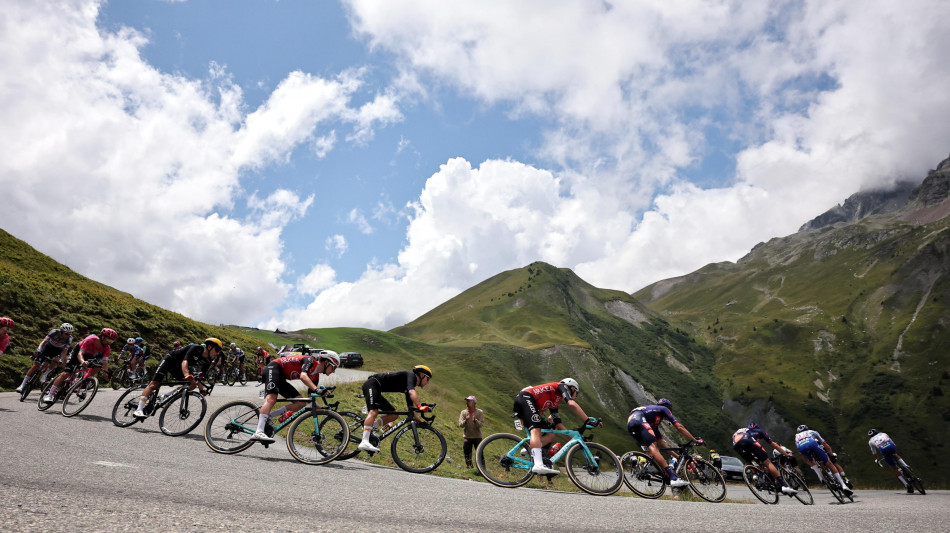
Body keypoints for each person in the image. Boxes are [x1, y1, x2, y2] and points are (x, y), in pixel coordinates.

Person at [513, 378, 601, 476]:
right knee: (536, 429)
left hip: (525, 401)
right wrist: (588, 420)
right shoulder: (562, 386)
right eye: (576, 393)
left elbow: (559, 426)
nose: (576, 396)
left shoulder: (554, 402)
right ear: (572, 388)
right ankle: (538, 464)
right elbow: (572, 404)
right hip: (526, 397)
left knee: (551, 434)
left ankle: (530, 449)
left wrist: (577, 439)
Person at [250, 349, 340, 443]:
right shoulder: (309, 360)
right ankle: (259, 432)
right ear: (326, 362)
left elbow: (310, 399)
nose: (334, 371)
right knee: (271, 399)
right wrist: (317, 389)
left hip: (281, 377)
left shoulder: (315, 377)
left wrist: (323, 409)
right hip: (273, 368)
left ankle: (269, 416)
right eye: (334, 367)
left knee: (301, 403)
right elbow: (303, 376)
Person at [132, 338, 221, 418]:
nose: (217, 353)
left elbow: (200, 377)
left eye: (219, 351)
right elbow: (185, 362)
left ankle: (166, 396)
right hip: (169, 360)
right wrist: (187, 374)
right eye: (217, 350)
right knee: (154, 384)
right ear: (209, 347)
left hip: (178, 368)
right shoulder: (196, 348)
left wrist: (201, 390)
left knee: (192, 385)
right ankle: (139, 410)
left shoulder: (208, 361)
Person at [627, 398, 704, 488]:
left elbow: (663, 444)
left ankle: (646, 469)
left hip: (631, 424)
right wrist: (695, 440)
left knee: (651, 449)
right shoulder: (664, 409)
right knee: (654, 448)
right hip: (640, 420)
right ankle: (673, 478)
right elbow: (679, 427)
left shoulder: (653, 421)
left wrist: (678, 457)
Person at [357, 365, 434, 453]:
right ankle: (364, 441)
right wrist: (420, 406)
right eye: (428, 378)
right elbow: (411, 392)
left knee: (394, 415)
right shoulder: (411, 376)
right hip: (372, 384)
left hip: (376, 390)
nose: (428, 382)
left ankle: (370, 427)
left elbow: (411, 408)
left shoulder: (408, 385)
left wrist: (418, 420)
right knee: (373, 412)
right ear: (421, 374)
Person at [43, 327, 117, 402]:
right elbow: (80, 354)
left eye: (111, 341)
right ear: (102, 337)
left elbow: (105, 363)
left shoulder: (107, 348)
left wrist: (105, 374)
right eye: (108, 340)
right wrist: (82, 362)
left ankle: (80, 380)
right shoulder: (91, 339)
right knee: (66, 373)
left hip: (90, 355)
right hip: (78, 352)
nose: (109, 343)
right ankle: (49, 395)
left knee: (97, 367)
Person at [732, 423, 798, 496]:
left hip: (736, 444)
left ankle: (754, 474)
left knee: (750, 460)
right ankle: (784, 486)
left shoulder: (744, 430)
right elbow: (775, 445)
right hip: (748, 440)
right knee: (768, 462)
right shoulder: (760, 431)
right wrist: (786, 455)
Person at [794, 424, 853, 495]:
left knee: (812, 461)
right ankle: (843, 485)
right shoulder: (813, 432)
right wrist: (831, 455)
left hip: (801, 448)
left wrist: (810, 463)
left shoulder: (796, 436)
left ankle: (820, 476)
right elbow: (825, 444)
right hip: (813, 445)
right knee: (830, 463)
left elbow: (801, 454)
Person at [16, 323, 73, 393]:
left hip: (58, 350)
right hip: (48, 347)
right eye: (66, 334)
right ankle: (22, 385)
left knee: (56, 360)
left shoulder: (69, 339)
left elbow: (64, 351)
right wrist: (39, 349)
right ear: (61, 331)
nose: (68, 335)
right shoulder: (54, 332)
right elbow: (43, 342)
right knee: (35, 365)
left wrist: (61, 359)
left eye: (70, 334)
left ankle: (45, 374)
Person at [868, 429, 916, 493]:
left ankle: (907, 485)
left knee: (894, 468)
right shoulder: (883, 433)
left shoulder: (870, 441)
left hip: (883, 449)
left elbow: (874, 452)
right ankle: (906, 466)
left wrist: (876, 460)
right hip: (891, 445)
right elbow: (892, 441)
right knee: (895, 455)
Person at [458, 395, 484, 469]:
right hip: (467, 436)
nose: (467, 402)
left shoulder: (480, 412)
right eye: (466, 401)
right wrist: (465, 421)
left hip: (477, 437)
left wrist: (475, 421)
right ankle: (469, 468)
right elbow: (460, 425)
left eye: (469, 401)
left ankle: (482, 469)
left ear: (474, 402)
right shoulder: (463, 412)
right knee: (467, 454)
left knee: (480, 454)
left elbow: (481, 425)